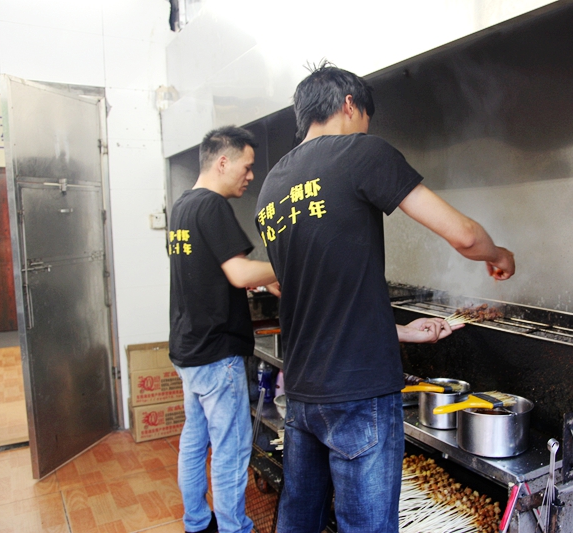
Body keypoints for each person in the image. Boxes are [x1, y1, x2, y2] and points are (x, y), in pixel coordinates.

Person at [254, 63, 515, 533]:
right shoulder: (361, 152)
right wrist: (498, 254)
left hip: (304, 391)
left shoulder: (270, 188)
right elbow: (463, 235)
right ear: (350, 105)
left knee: (299, 522)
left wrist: (399, 331)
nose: (366, 128)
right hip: (359, 393)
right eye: (366, 118)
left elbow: (314, 296)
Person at [169, 126, 279, 533]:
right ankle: (235, 529)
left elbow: (212, 270)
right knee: (231, 450)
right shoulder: (212, 206)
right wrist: (290, 265)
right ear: (223, 162)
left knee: (195, 443)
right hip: (218, 353)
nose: (250, 176)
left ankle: (197, 523)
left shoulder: (183, 205)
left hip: (189, 349)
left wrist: (263, 279)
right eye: (247, 167)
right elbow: (237, 272)